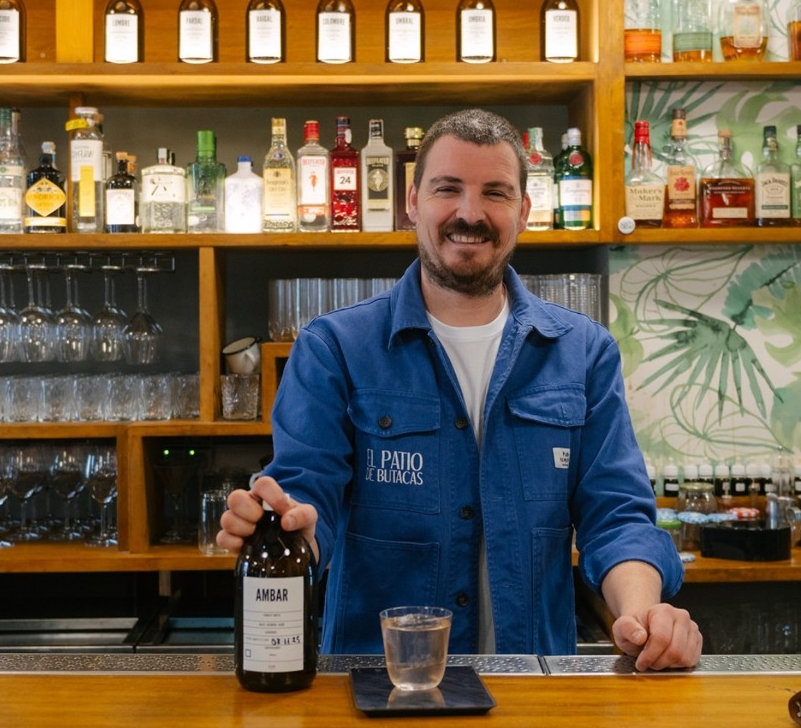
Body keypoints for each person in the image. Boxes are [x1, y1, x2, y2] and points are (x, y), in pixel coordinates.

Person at [220, 109, 701, 670]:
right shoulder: (335, 348)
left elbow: (616, 516)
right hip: (377, 690)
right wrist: (283, 530)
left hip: (534, 693)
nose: (470, 214)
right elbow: (308, 495)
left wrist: (642, 615)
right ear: (412, 201)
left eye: (495, 193)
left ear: (523, 211)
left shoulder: (584, 352)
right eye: (448, 189)